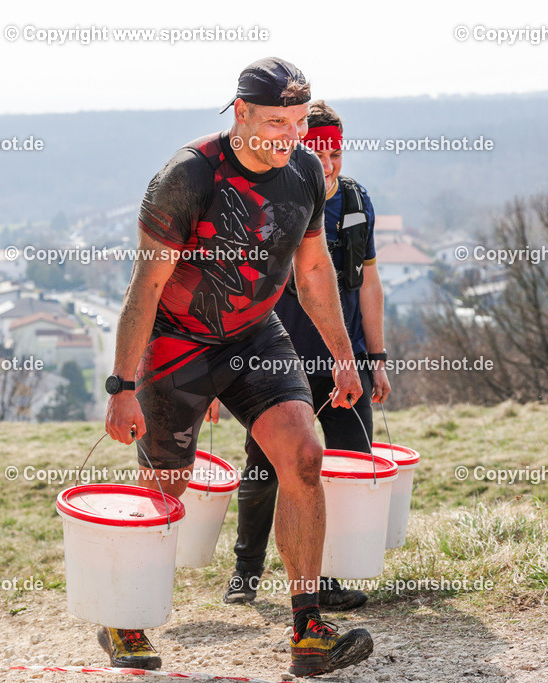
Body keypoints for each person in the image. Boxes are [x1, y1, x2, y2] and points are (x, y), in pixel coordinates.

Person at [100, 57, 374, 677]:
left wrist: (341, 352)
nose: (289, 136)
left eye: (299, 122)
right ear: (240, 112)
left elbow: (311, 270)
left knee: (305, 455)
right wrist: (121, 387)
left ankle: (308, 630)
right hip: (177, 342)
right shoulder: (189, 176)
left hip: (255, 334)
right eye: (276, 121)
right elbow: (145, 287)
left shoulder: (305, 170)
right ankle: (125, 619)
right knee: (167, 489)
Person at [222, 101, 390, 609]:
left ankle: (329, 579)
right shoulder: (277, 197)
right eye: (316, 148)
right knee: (264, 467)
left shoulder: (358, 201)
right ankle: (245, 571)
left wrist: (375, 357)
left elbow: (369, 285)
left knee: (348, 466)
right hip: (278, 361)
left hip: (346, 361)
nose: (328, 161)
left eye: (334, 151)